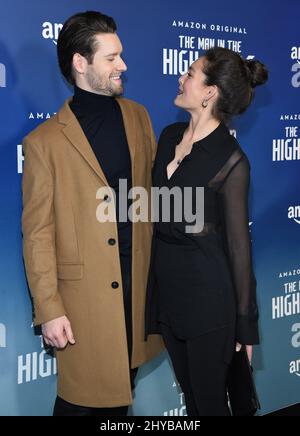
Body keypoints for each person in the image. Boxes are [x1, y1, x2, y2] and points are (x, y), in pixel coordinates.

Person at [22, 11, 162, 416]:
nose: (123, 65)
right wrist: (49, 309)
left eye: (121, 56)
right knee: (80, 403)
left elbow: (154, 200)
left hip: (137, 291)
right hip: (83, 301)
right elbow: (37, 234)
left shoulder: (138, 117)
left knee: (122, 397)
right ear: (80, 64)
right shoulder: (44, 142)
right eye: (111, 58)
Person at [145, 47, 268, 416]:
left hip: (209, 306)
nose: (181, 78)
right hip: (168, 299)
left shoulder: (230, 160)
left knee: (210, 406)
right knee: (193, 402)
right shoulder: (168, 137)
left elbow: (238, 247)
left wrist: (245, 328)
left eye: (191, 73)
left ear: (209, 92)